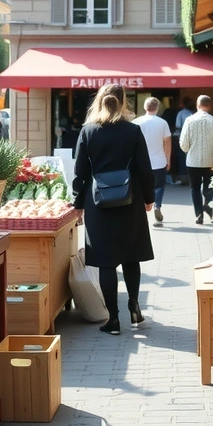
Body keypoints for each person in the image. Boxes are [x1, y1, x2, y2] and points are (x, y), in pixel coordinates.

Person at [72, 83, 155, 335]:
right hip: (131, 200)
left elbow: (80, 172)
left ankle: (113, 320)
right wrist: (149, 198)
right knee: (131, 256)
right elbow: (145, 167)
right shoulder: (133, 130)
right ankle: (134, 309)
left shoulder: (88, 131)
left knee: (106, 262)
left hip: (98, 204)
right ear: (122, 102)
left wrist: (77, 203)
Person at [179, 94, 213, 225]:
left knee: (194, 188)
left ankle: (198, 214)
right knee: (209, 186)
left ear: (197, 105)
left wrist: (188, 150)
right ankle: (207, 204)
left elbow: (183, 143)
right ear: (209, 106)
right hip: (211, 161)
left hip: (193, 161)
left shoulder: (189, 120)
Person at [133, 97, 171, 226]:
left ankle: (140, 210)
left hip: (140, 162)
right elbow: (167, 142)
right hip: (159, 161)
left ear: (145, 107)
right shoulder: (162, 123)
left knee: (139, 187)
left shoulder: (136, 123)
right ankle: (157, 206)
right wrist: (168, 159)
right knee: (159, 186)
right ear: (157, 108)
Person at [172, 96, 194, 184]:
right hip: (191, 138)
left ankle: (183, 178)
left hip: (181, 137)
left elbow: (178, 126)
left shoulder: (181, 113)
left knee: (181, 158)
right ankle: (190, 177)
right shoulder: (193, 113)